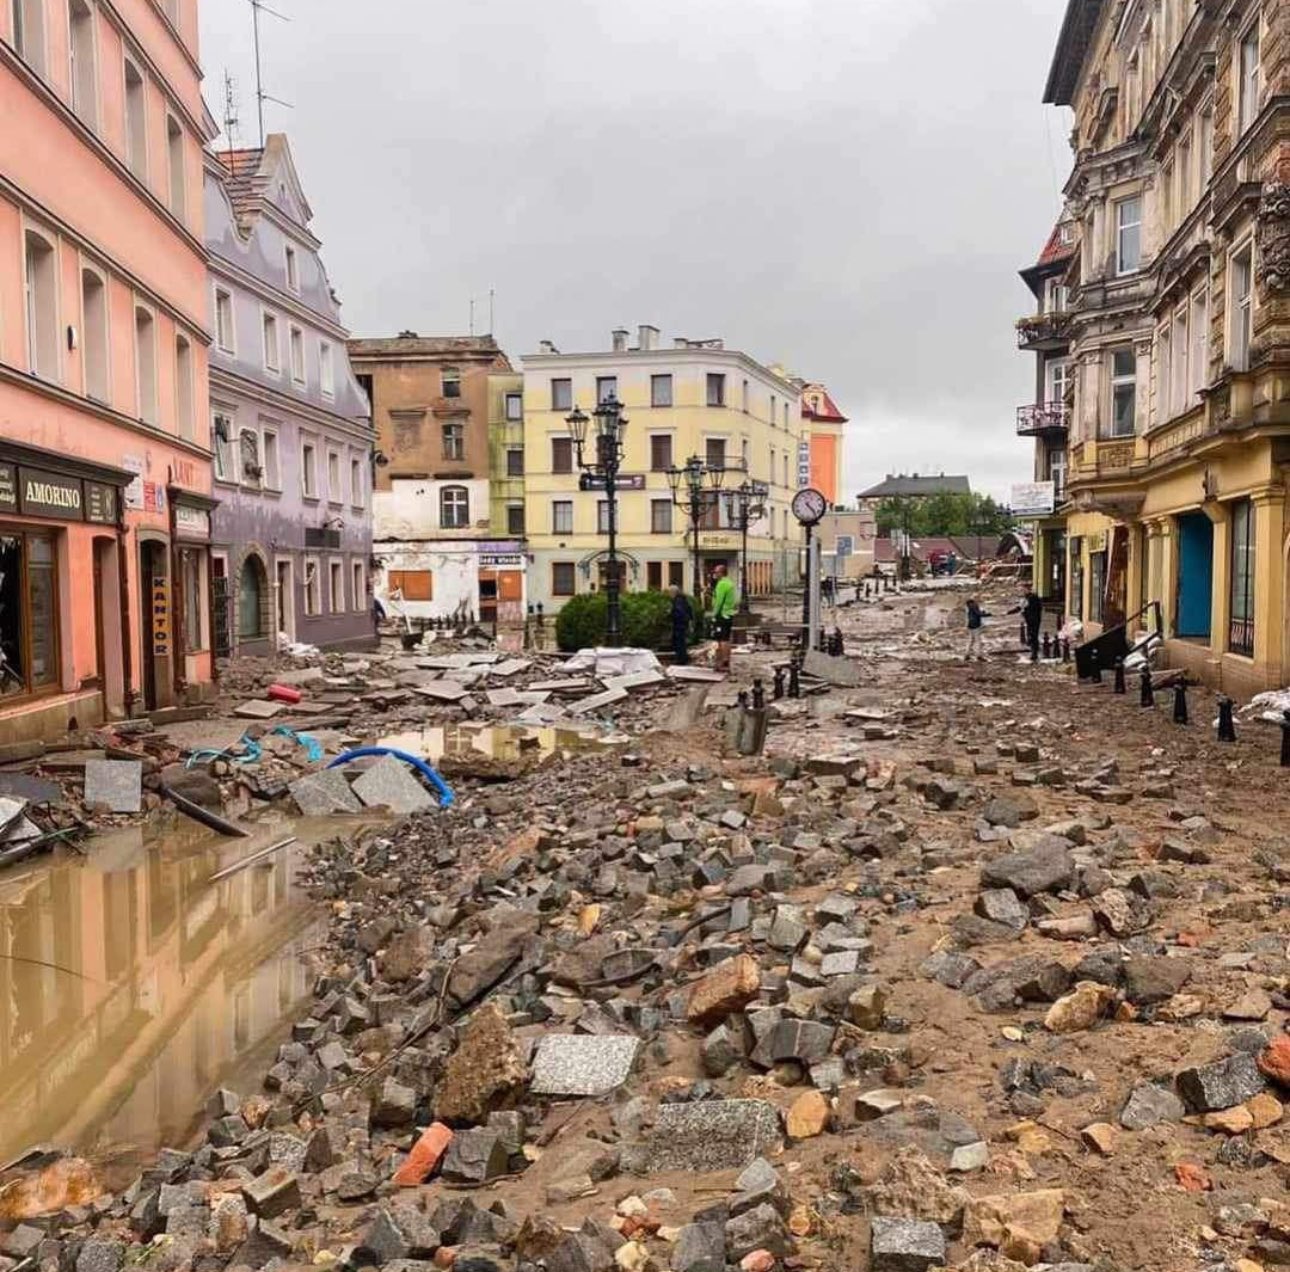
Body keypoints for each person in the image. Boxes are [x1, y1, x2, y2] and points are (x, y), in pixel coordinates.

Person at [709, 563, 737, 672]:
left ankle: (722, 662)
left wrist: (714, 615)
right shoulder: (730, 583)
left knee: (721, 639)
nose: (714, 574)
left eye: (716, 572)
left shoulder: (722, 584)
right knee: (726, 638)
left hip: (722, 615)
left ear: (721, 573)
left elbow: (719, 602)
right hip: (729, 614)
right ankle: (725, 661)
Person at [1009, 586, 1044, 662]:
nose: (1022, 592)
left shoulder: (1031, 598)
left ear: (1028, 590)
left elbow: (1020, 607)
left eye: (1024, 590)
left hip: (1033, 619)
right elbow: (1020, 607)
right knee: (1033, 634)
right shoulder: (1030, 598)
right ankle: (1035, 649)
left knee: (1032, 635)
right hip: (1033, 619)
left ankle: (1034, 653)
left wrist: (1011, 612)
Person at [669, 584, 692, 666]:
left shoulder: (677, 601)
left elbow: (679, 612)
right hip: (683, 624)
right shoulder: (683, 599)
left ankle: (681, 659)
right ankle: (683, 657)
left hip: (679, 624)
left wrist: (672, 615)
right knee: (682, 642)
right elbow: (689, 610)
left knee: (679, 642)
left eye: (670, 592)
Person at [965, 596, 989, 661]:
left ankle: (967, 655)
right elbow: (979, 614)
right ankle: (979, 655)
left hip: (970, 625)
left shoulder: (968, 608)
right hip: (976, 625)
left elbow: (976, 614)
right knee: (978, 641)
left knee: (971, 641)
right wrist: (987, 614)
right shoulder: (975, 606)